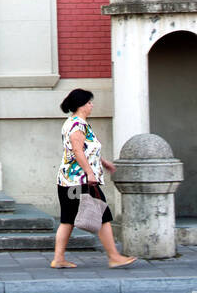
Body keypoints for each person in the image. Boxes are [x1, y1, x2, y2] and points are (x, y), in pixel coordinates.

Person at [51, 87, 137, 269]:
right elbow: (77, 150)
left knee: (68, 220)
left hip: (68, 181)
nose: (92, 105)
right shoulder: (77, 126)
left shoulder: (73, 122)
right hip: (80, 182)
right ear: (82, 105)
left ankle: (58, 259)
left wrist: (103, 162)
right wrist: (90, 172)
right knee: (103, 216)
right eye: (89, 102)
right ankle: (114, 256)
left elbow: (86, 150)